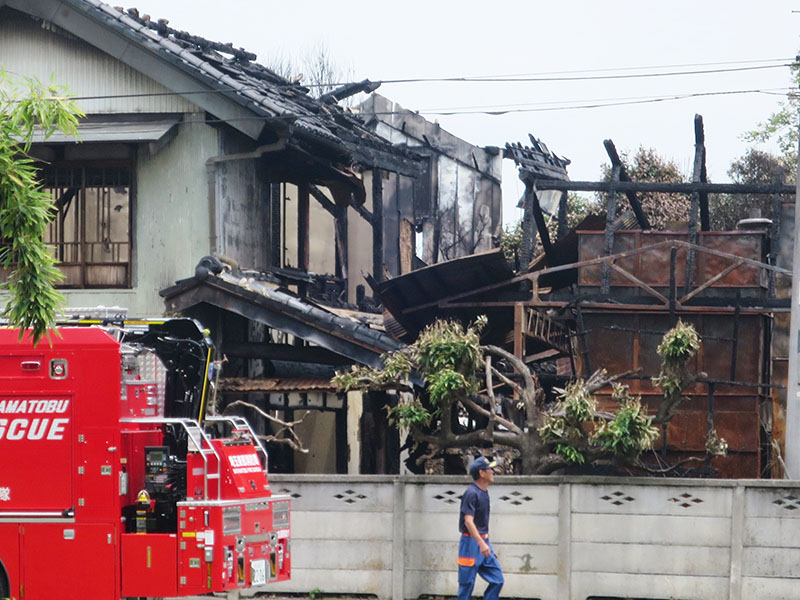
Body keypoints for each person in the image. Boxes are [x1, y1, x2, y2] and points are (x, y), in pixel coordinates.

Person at [457, 456, 504, 600]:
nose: (493, 472)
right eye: (490, 469)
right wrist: (481, 543)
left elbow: (480, 523)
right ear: (481, 473)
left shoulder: (483, 493)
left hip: (483, 541)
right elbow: (468, 521)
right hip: (470, 544)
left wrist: (486, 544)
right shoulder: (471, 493)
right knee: (466, 585)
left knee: (497, 579)